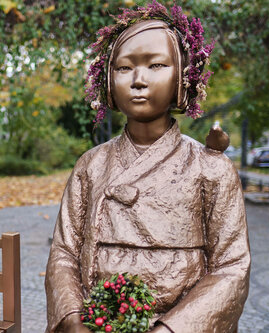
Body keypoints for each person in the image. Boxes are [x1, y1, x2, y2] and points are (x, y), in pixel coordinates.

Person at [45, 2, 250, 333]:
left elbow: (232, 267)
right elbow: (64, 253)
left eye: (156, 65)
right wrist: (71, 318)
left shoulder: (210, 169)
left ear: (182, 77)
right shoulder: (91, 165)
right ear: (109, 82)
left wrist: (171, 329)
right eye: (124, 68)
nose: (138, 80)